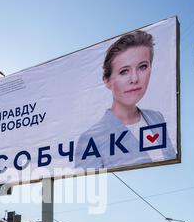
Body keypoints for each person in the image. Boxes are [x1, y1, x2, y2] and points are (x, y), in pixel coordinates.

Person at [75, 30, 176, 170]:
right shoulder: (91, 139)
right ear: (107, 81)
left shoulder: (156, 118)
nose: (135, 79)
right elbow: (87, 187)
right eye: (124, 71)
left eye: (142, 67)